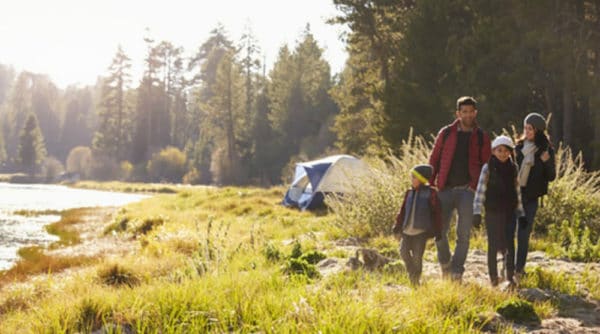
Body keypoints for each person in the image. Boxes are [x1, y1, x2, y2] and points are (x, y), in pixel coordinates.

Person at [429, 96, 491, 281]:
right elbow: (434, 159)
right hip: (444, 190)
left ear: (475, 113)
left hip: (467, 191)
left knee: (463, 235)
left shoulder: (481, 137)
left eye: (471, 111)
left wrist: (476, 188)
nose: (468, 115)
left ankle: (457, 271)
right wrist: (430, 184)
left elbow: (487, 165)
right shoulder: (446, 133)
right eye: (464, 111)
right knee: (439, 231)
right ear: (458, 113)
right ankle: (445, 264)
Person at [473, 135, 527, 287]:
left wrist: (521, 213)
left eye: (506, 151)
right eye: (499, 150)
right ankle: (493, 277)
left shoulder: (514, 168)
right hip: (492, 211)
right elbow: (480, 191)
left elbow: (517, 192)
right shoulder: (488, 168)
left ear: (510, 152)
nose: (503, 154)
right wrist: (476, 212)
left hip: (509, 212)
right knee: (493, 244)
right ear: (493, 151)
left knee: (510, 244)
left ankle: (510, 277)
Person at [514, 113, 556, 281]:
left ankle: (519, 269)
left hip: (531, 198)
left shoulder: (546, 150)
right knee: (510, 231)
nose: (527, 131)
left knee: (523, 233)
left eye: (530, 129)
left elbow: (552, 176)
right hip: (514, 195)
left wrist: (546, 161)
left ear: (538, 131)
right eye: (525, 128)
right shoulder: (517, 147)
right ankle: (508, 267)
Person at [392, 164, 442, 286]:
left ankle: (415, 280)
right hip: (407, 231)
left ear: (422, 179)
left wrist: (438, 231)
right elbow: (402, 211)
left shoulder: (431, 194)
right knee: (403, 252)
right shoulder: (409, 193)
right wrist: (397, 226)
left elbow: (437, 214)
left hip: (421, 232)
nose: (412, 180)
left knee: (417, 256)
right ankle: (412, 272)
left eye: (414, 177)